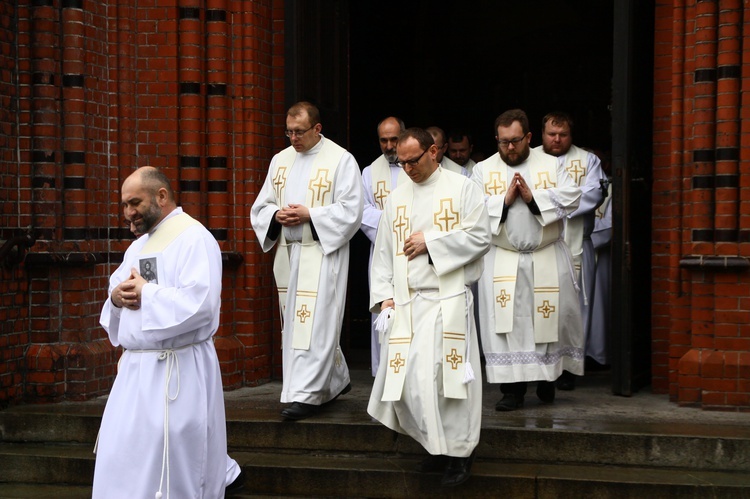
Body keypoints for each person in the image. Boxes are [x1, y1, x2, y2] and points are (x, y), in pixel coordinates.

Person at [94, 166, 242, 498]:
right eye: (124, 205)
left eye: (135, 202)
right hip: (135, 373)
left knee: (173, 462)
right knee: (122, 455)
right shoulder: (139, 245)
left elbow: (201, 304)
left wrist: (147, 293)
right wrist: (115, 297)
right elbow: (118, 286)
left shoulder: (194, 237)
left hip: (179, 370)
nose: (128, 213)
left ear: (161, 196)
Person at [368, 128, 490, 487]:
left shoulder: (462, 187)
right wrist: (385, 295)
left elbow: (480, 237)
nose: (406, 168)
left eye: (412, 160)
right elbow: (384, 251)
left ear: (433, 151)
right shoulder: (397, 197)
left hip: (448, 300)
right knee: (413, 381)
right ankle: (433, 445)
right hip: (408, 302)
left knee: (447, 380)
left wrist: (431, 241)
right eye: (400, 162)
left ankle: (460, 453)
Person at [251, 101, 363, 421]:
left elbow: (350, 210)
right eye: (288, 132)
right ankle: (336, 380)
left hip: (323, 252)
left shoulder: (340, 160)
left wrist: (309, 215)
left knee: (316, 325)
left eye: (299, 132)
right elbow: (262, 207)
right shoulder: (280, 161)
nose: (293, 139)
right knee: (300, 326)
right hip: (289, 253)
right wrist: (276, 214)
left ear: (317, 128)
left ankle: (308, 396)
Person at [472, 109, 583, 411]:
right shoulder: (483, 169)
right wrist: (504, 201)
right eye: (503, 142)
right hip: (502, 259)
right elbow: (469, 208)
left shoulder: (551, 164)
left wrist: (534, 198)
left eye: (516, 141)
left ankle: (547, 380)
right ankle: (512, 391)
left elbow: (573, 196)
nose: (510, 148)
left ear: (529, 138)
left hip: (545, 254)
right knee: (506, 328)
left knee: (545, 323)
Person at [536, 112, 607, 391]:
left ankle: (569, 368)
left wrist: (542, 203)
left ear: (571, 135)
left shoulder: (588, 160)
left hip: (575, 246)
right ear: (541, 134)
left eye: (563, 134)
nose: (556, 139)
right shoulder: (529, 159)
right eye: (552, 134)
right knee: (539, 308)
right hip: (539, 248)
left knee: (575, 310)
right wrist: (557, 199)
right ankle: (540, 365)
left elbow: (590, 195)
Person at [361, 116, 406, 376]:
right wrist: (394, 225)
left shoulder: (418, 166)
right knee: (382, 307)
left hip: (413, 252)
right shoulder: (369, 172)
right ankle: (382, 373)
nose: (389, 146)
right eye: (383, 140)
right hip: (381, 253)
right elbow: (361, 211)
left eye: (394, 139)